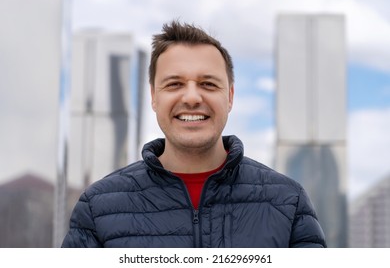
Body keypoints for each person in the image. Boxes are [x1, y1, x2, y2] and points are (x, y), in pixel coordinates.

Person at [62, 20, 326, 248]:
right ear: (154, 97)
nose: (191, 97)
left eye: (207, 84)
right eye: (174, 84)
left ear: (230, 97)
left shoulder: (288, 203)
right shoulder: (97, 208)